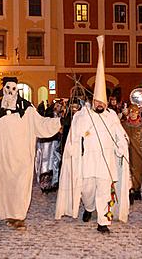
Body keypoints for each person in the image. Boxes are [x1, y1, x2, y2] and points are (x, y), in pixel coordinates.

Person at [56, 35, 131, 233]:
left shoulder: (111, 116)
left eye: (103, 102)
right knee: (88, 190)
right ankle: (89, 208)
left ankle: (103, 222)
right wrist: (71, 149)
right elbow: (74, 135)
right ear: (93, 101)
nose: (100, 105)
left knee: (105, 191)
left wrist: (121, 146)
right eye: (98, 102)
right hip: (88, 160)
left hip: (106, 160)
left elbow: (121, 135)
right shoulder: (83, 115)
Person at [0, 77, 61, 230]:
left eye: (13, 89)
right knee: (4, 185)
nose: (10, 92)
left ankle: (18, 216)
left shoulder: (27, 108)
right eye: (7, 88)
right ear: (3, 89)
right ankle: (6, 213)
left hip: (21, 156)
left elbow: (40, 124)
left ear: (17, 90)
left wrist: (59, 122)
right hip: (2, 157)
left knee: (20, 185)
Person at [34, 101, 63, 193]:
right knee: (46, 162)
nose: (59, 107)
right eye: (58, 105)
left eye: (60, 106)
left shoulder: (60, 116)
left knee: (55, 161)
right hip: (47, 142)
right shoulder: (49, 115)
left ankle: (53, 182)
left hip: (56, 142)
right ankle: (45, 183)